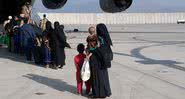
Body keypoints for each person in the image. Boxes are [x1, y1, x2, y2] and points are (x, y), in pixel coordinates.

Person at [87, 34, 112, 98]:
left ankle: (97, 94)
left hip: (96, 66)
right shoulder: (102, 45)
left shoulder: (96, 48)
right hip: (101, 66)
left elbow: (96, 52)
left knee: (96, 80)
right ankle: (102, 93)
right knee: (101, 79)